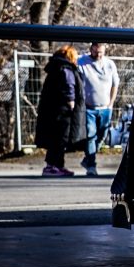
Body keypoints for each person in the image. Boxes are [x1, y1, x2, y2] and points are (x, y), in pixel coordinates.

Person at [36, 45, 86, 177]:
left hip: (52, 110)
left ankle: (57, 165)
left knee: (55, 139)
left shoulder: (55, 68)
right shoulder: (66, 69)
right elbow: (69, 87)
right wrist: (72, 104)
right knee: (60, 139)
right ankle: (53, 166)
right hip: (63, 112)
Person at [77, 42, 120, 177]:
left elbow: (115, 84)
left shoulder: (110, 64)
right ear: (91, 49)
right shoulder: (82, 62)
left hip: (105, 107)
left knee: (102, 135)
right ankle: (91, 165)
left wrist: (111, 103)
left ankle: (88, 158)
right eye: (96, 52)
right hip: (89, 108)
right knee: (91, 136)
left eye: (101, 52)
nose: (99, 55)